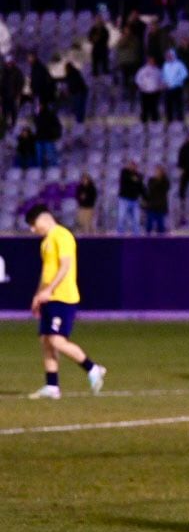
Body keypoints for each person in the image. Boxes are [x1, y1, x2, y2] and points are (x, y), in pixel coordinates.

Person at [25, 203, 108, 400]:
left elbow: (65, 266)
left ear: (44, 218)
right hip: (49, 297)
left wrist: (50, 290)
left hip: (63, 297)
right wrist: (38, 295)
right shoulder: (46, 242)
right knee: (46, 341)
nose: (32, 229)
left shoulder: (62, 235)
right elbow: (46, 273)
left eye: (33, 224)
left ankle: (93, 368)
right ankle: (52, 386)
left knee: (56, 340)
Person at [161, 49, 188, 123]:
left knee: (178, 105)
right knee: (168, 105)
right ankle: (169, 120)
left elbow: (184, 74)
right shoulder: (165, 65)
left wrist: (175, 82)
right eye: (167, 56)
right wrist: (164, 82)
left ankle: (180, 121)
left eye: (169, 55)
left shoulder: (179, 64)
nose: (168, 57)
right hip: (167, 88)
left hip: (177, 88)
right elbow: (163, 75)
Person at [143, 165, 171, 235]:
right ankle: (146, 241)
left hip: (161, 206)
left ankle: (161, 243)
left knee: (160, 227)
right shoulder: (151, 180)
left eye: (159, 171)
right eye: (156, 171)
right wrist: (157, 180)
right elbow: (151, 189)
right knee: (149, 226)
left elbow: (166, 188)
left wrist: (162, 178)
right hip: (151, 206)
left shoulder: (165, 181)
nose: (157, 172)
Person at [117, 162, 144, 234]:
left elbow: (141, 188)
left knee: (136, 220)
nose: (132, 167)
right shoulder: (124, 173)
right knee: (121, 218)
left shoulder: (139, 175)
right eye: (131, 165)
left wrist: (146, 198)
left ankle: (136, 236)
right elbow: (127, 179)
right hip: (124, 199)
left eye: (134, 165)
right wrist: (134, 179)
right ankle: (120, 235)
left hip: (135, 200)